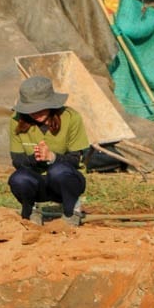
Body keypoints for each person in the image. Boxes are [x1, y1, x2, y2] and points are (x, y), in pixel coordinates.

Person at [7, 76, 90, 227]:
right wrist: (36, 158)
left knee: (58, 171)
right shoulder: (16, 121)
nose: (36, 112)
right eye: (31, 108)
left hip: (65, 181)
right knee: (18, 179)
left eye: (41, 107)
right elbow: (17, 161)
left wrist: (52, 157)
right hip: (37, 182)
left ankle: (72, 210)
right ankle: (31, 210)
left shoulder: (71, 118)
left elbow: (75, 160)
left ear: (52, 104)